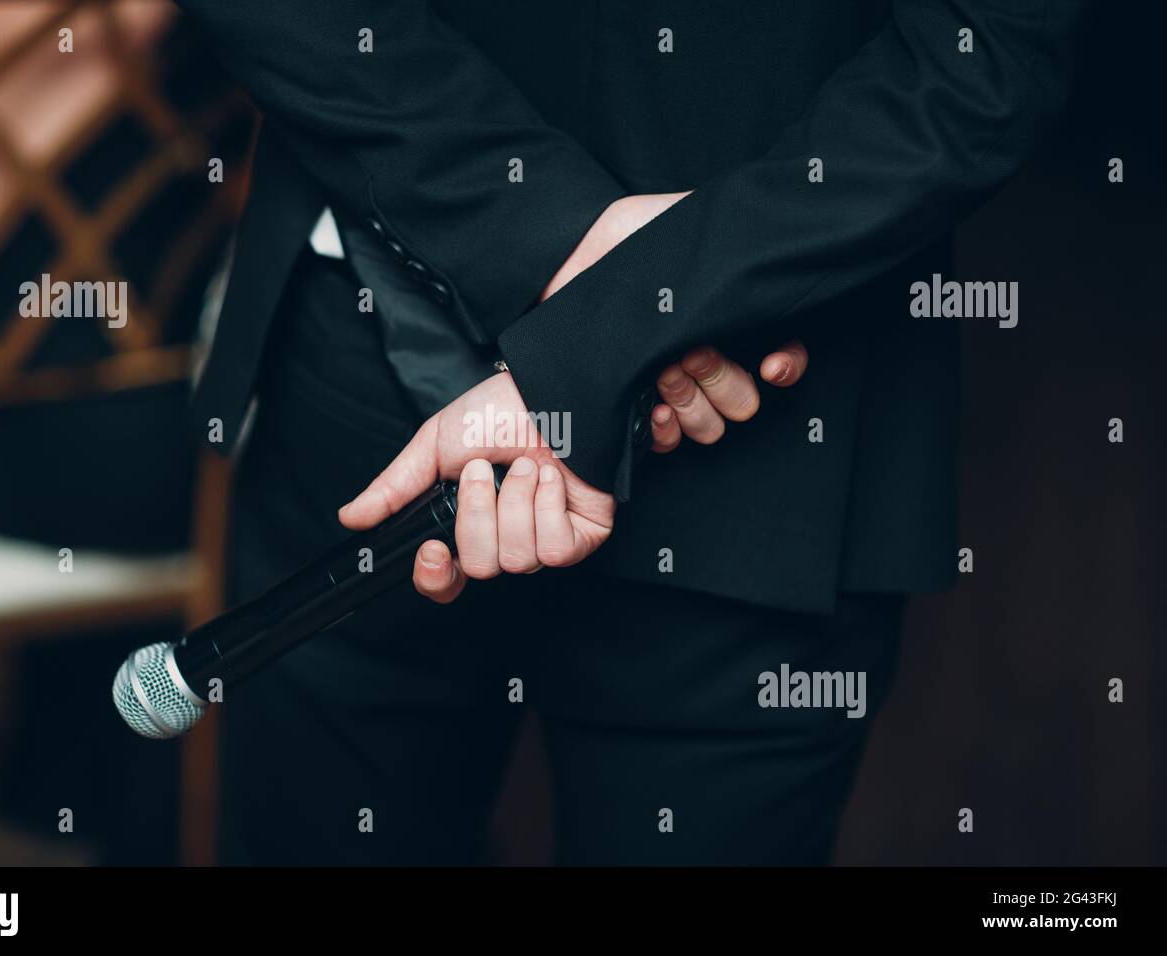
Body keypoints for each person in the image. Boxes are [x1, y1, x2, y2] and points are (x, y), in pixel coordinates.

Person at [175, 0, 1080, 864]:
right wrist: (641, 289)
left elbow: (986, 47)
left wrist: (601, 299)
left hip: (775, 465)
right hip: (385, 371)